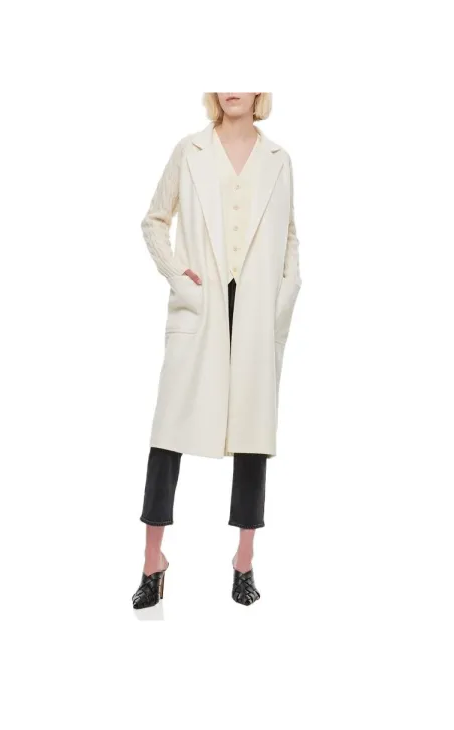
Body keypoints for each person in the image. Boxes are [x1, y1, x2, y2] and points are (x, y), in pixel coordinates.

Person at [132, 93, 302, 609]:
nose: (233, 87)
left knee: (253, 437)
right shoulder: (190, 150)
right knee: (167, 435)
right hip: (201, 305)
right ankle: (152, 561)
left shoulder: (279, 160)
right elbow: (154, 220)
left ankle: (244, 561)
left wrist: (283, 298)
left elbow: (289, 238)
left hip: (254, 311)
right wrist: (177, 277)